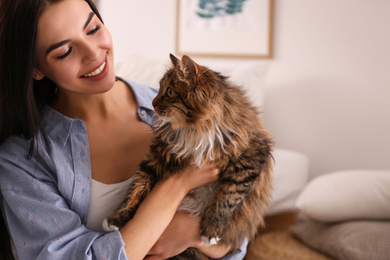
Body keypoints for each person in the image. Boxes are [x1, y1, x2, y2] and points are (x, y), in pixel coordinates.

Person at [0, 0, 248, 259]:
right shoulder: (22, 158)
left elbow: (236, 243)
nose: (94, 53)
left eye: (93, 29)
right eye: (65, 51)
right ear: (35, 69)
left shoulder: (181, 111)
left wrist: (191, 232)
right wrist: (176, 185)